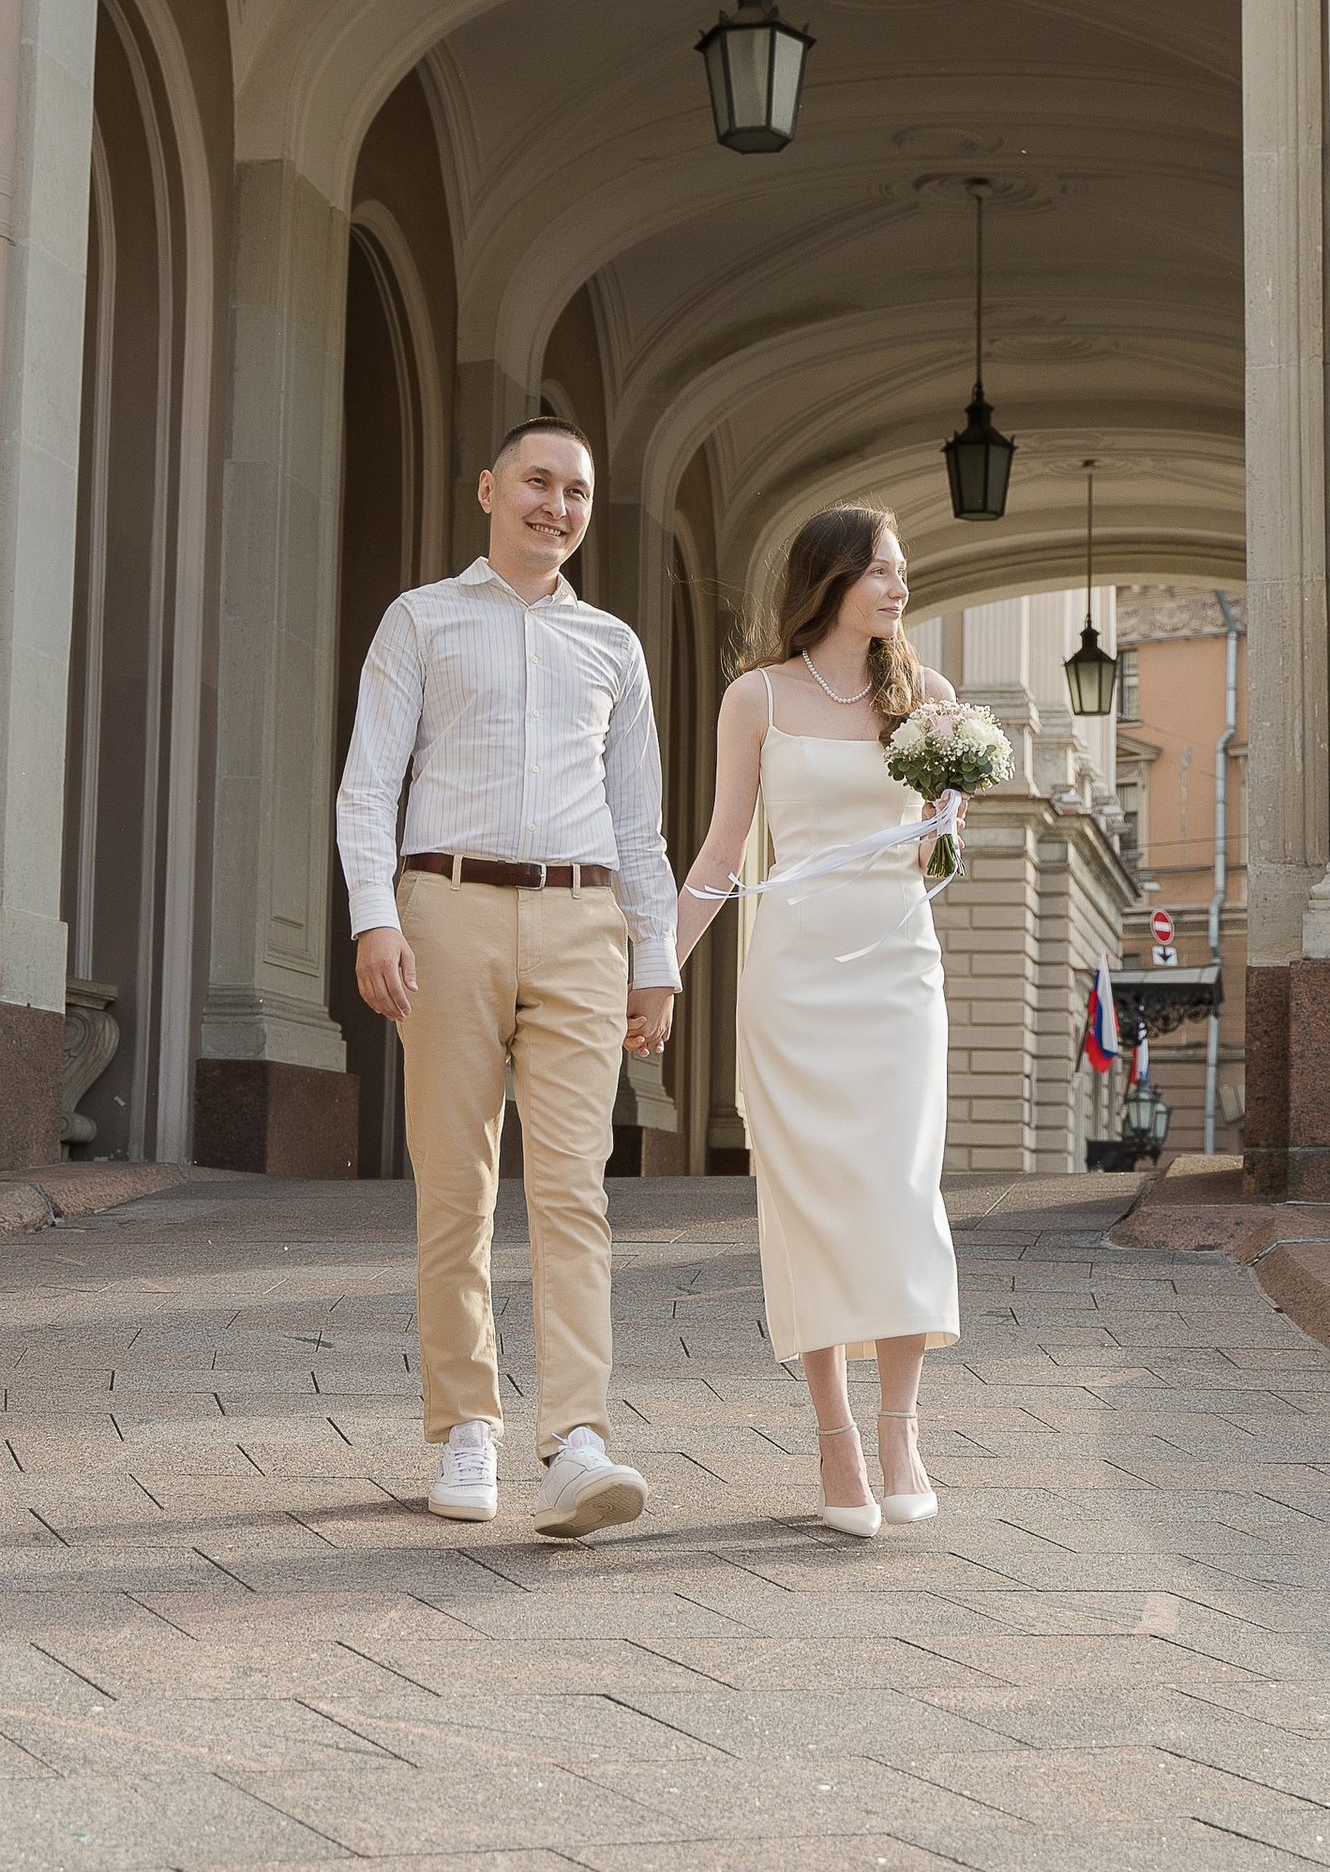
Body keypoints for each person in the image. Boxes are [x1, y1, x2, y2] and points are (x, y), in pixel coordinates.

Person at [337, 417, 678, 1538]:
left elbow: (638, 821)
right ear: (488, 490)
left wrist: (656, 959)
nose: (557, 506)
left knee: (576, 1188)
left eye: (576, 492)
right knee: (457, 1186)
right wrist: (375, 916)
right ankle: (466, 1428)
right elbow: (368, 784)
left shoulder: (612, 646)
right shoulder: (420, 619)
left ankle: (576, 1440)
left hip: (583, 922)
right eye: (537, 482)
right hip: (447, 913)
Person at [674, 505, 958, 1536]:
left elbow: (929, 857)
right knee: (808, 1205)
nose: (897, 587)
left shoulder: (930, 701)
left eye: (901, 570)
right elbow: (721, 852)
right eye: (878, 570)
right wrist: (656, 971)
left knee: (900, 1193)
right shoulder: (756, 696)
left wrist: (947, 818)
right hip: (793, 978)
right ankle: (836, 1438)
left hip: (897, 971)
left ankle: (901, 1431)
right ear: (828, 579)